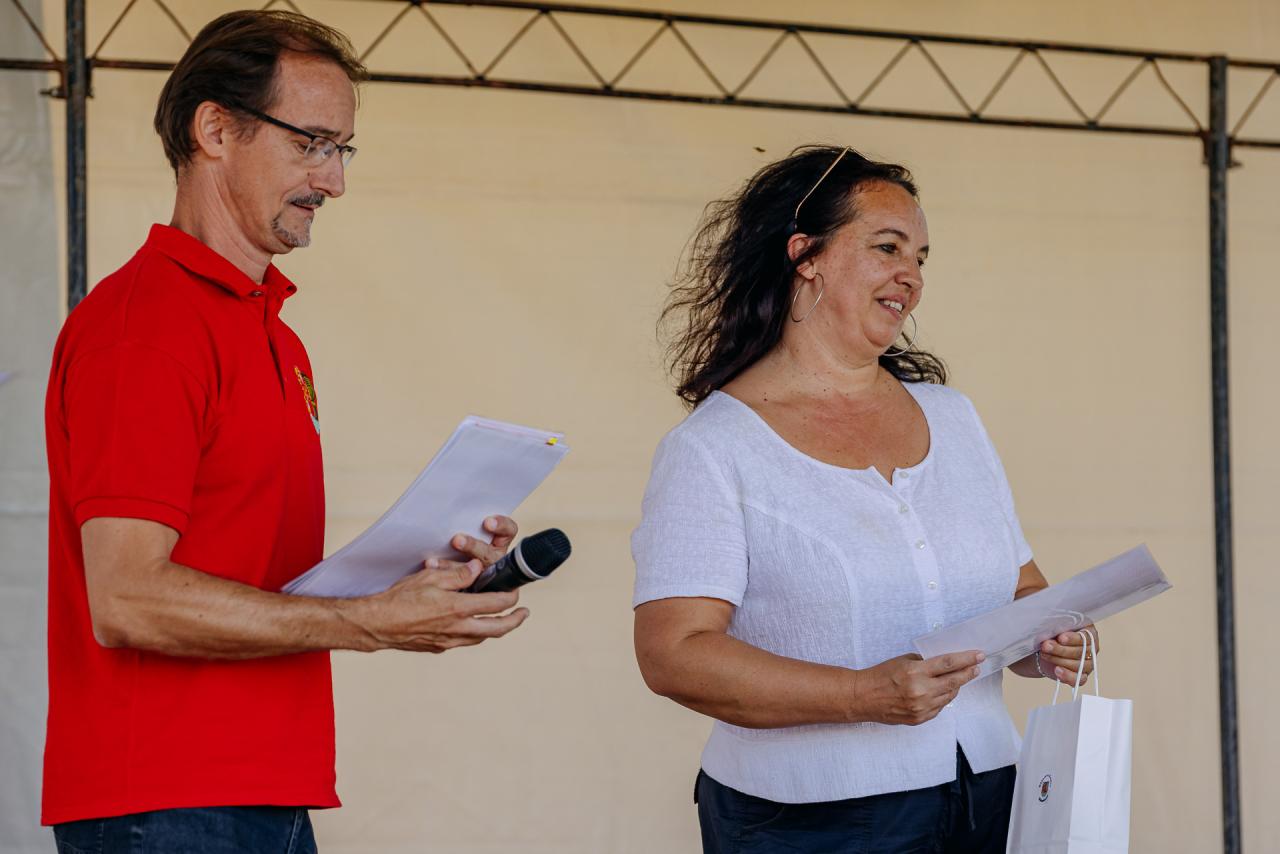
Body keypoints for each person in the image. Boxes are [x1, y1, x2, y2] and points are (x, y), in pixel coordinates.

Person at [42, 11, 527, 852]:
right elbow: (126, 598)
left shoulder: (271, 333)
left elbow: (252, 568)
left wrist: (408, 589)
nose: (332, 180)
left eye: (342, 150)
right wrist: (366, 621)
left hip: (258, 789)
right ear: (214, 130)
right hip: (166, 799)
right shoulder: (146, 329)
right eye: (312, 143)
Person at [631, 145, 1099, 853]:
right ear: (805, 255)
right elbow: (674, 653)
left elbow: (1019, 585)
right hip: (807, 823)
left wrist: (1050, 641)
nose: (912, 275)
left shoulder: (953, 418)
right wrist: (861, 696)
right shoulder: (713, 448)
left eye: (921, 258)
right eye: (888, 247)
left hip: (988, 796)